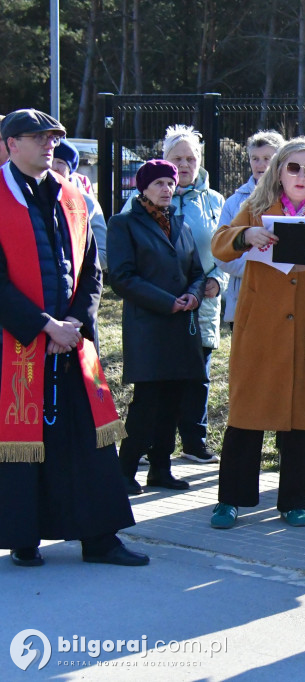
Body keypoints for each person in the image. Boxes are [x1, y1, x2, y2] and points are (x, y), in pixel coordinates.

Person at [0, 108, 147, 567]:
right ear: (10, 144)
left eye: (54, 136)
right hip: (15, 343)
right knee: (21, 441)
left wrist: (74, 326)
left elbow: (91, 270)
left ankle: (100, 539)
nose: (50, 144)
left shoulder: (74, 197)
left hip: (71, 341)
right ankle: (24, 538)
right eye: (38, 137)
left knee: (90, 439)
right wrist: (44, 326)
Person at [209, 137, 305, 529]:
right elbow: (219, 244)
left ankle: (294, 501)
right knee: (246, 419)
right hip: (259, 332)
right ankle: (231, 500)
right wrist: (246, 237)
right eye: (293, 167)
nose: (301, 175)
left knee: (303, 423)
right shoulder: (258, 209)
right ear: (279, 171)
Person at [107, 160, 206, 495]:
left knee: (174, 401)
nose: (167, 189)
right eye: (159, 183)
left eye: (171, 183)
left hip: (181, 327)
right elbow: (121, 277)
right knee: (147, 402)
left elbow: (197, 272)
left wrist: (193, 296)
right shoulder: (124, 224)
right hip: (149, 327)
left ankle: (160, 470)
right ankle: (125, 470)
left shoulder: (182, 226)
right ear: (143, 188)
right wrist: (168, 301)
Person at [159, 125, 227, 464]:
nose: (184, 165)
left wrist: (218, 282)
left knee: (198, 373)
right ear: (164, 159)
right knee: (162, 375)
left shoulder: (215, 201)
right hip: (161, 303)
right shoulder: (144, 199)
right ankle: (155, 442)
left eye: (190, 158)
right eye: (177, 158)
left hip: (203, 302)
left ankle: (194, 441)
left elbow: (226, 251)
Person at [219, 130, 286, 327]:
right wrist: (259, 265)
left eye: (267, 158)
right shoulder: (234, 203)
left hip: (284, 302)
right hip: (245, 301)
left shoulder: (295, 198)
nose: (260, 165)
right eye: (255, 158)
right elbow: (221, 254)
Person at [53, 139, 108, 270]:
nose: (53, 167)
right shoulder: (29, 197)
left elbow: (104, 255)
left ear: (70, 169)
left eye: (60, 162)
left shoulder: (87, 203)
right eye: (50, 160)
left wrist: (67, 261)